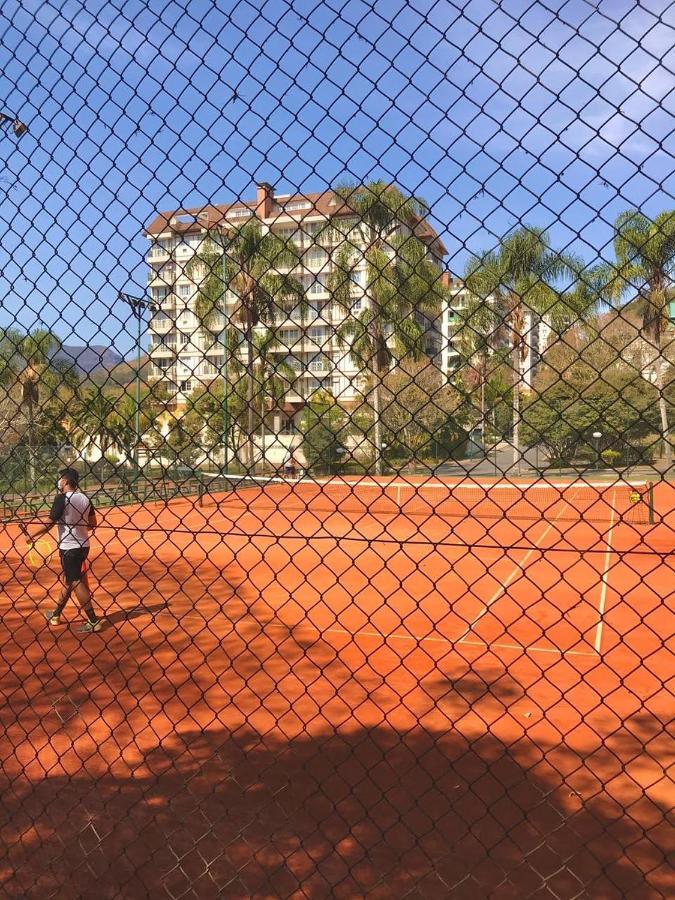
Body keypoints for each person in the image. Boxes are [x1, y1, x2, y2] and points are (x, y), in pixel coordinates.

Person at [29, 467, 102, 633]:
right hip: (83, 545)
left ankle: (93, 620)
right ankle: (55, 615)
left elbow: (49, 523)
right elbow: (93, 523)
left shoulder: (61, 498)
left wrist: (31, 536)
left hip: (69, 547)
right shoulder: (85, 499)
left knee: (75, 581)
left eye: (60, 478)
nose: (59, 481)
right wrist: (77, 527)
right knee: (69, 580)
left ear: (66, 481)